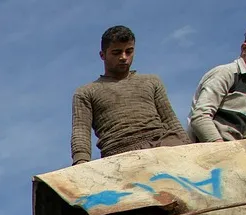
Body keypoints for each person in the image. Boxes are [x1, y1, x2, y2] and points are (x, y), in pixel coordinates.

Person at [70, 25, 188, 165]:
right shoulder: (86, 92)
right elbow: (81, 132)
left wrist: (188, 146)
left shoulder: (151, 81)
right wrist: (81, 162)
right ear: (103, 55)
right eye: (116, 52)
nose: (123, 57)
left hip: (163, 144)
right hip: (119, 152)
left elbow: (170, 120)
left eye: (129, 51)